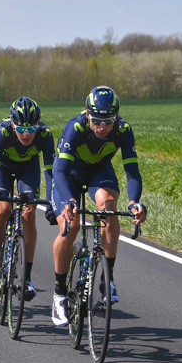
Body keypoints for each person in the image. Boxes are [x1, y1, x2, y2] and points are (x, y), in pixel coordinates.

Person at [50, 86, 147, 327]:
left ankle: (107, 277)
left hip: (98, 172)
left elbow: (132, 172)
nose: (102, 127)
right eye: (97, 120)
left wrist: (134, 202)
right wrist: (70, 201)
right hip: (68, 175)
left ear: (116, 117)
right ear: (87, 114)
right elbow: (59, 171)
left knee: (110, 206)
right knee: (70, 227)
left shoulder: (123, 130)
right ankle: (59, 295)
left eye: (108, 121)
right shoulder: (76, 127)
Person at [0, 97, 55, 299]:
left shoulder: (45, 134)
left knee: (29, 213)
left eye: (31, 129)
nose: (26, 134)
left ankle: (27, 278)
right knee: (3, 209)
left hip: (28, 170)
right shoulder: (3, 131)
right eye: (21, 129)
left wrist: (51, 204)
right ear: (13, 124)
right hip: (3, 169)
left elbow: (51, 174)